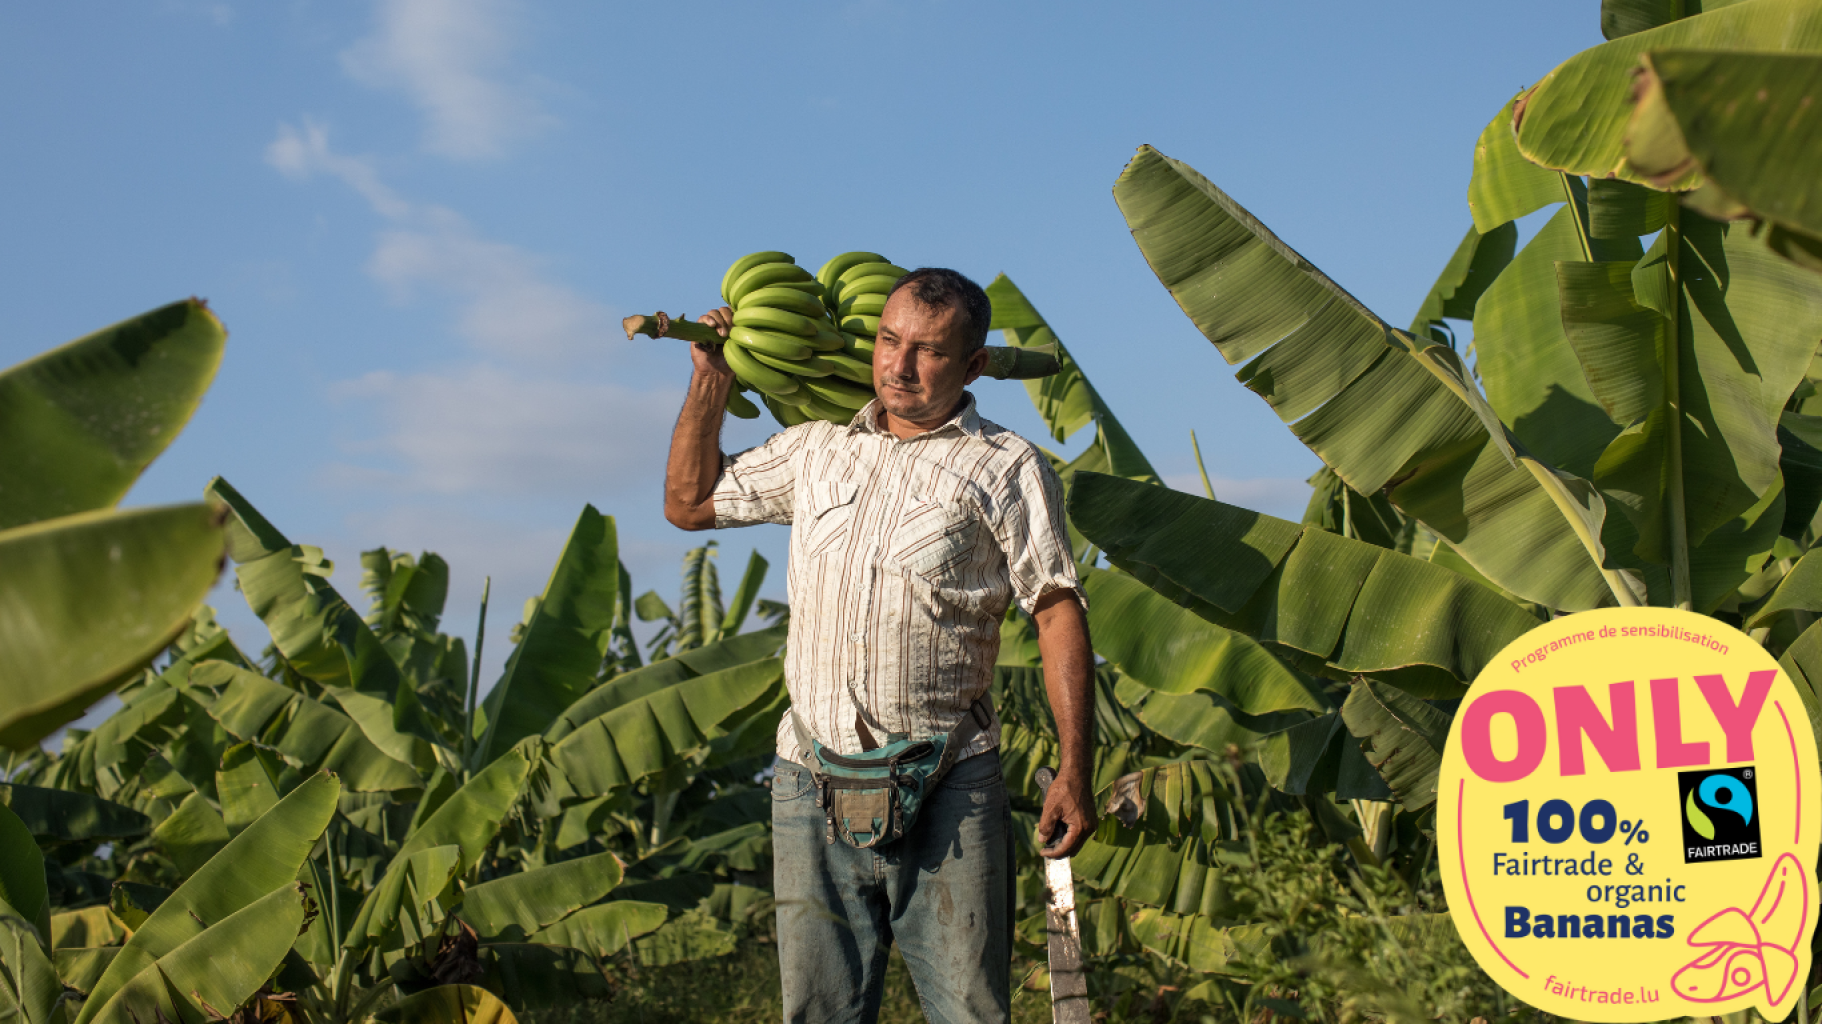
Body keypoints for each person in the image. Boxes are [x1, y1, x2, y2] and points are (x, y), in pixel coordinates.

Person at [662, 267, 1096, 1024]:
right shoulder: (816, 451)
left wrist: (1074, 766)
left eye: (928, 352)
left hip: (948, 780)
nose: (898, 368)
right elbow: (689, 504)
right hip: (809, 778)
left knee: (969, 1011)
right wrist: (710, 386)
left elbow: (1056, 609)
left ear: (973, 366)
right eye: (889, 342)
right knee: (820, 1012)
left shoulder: (1006, 467)